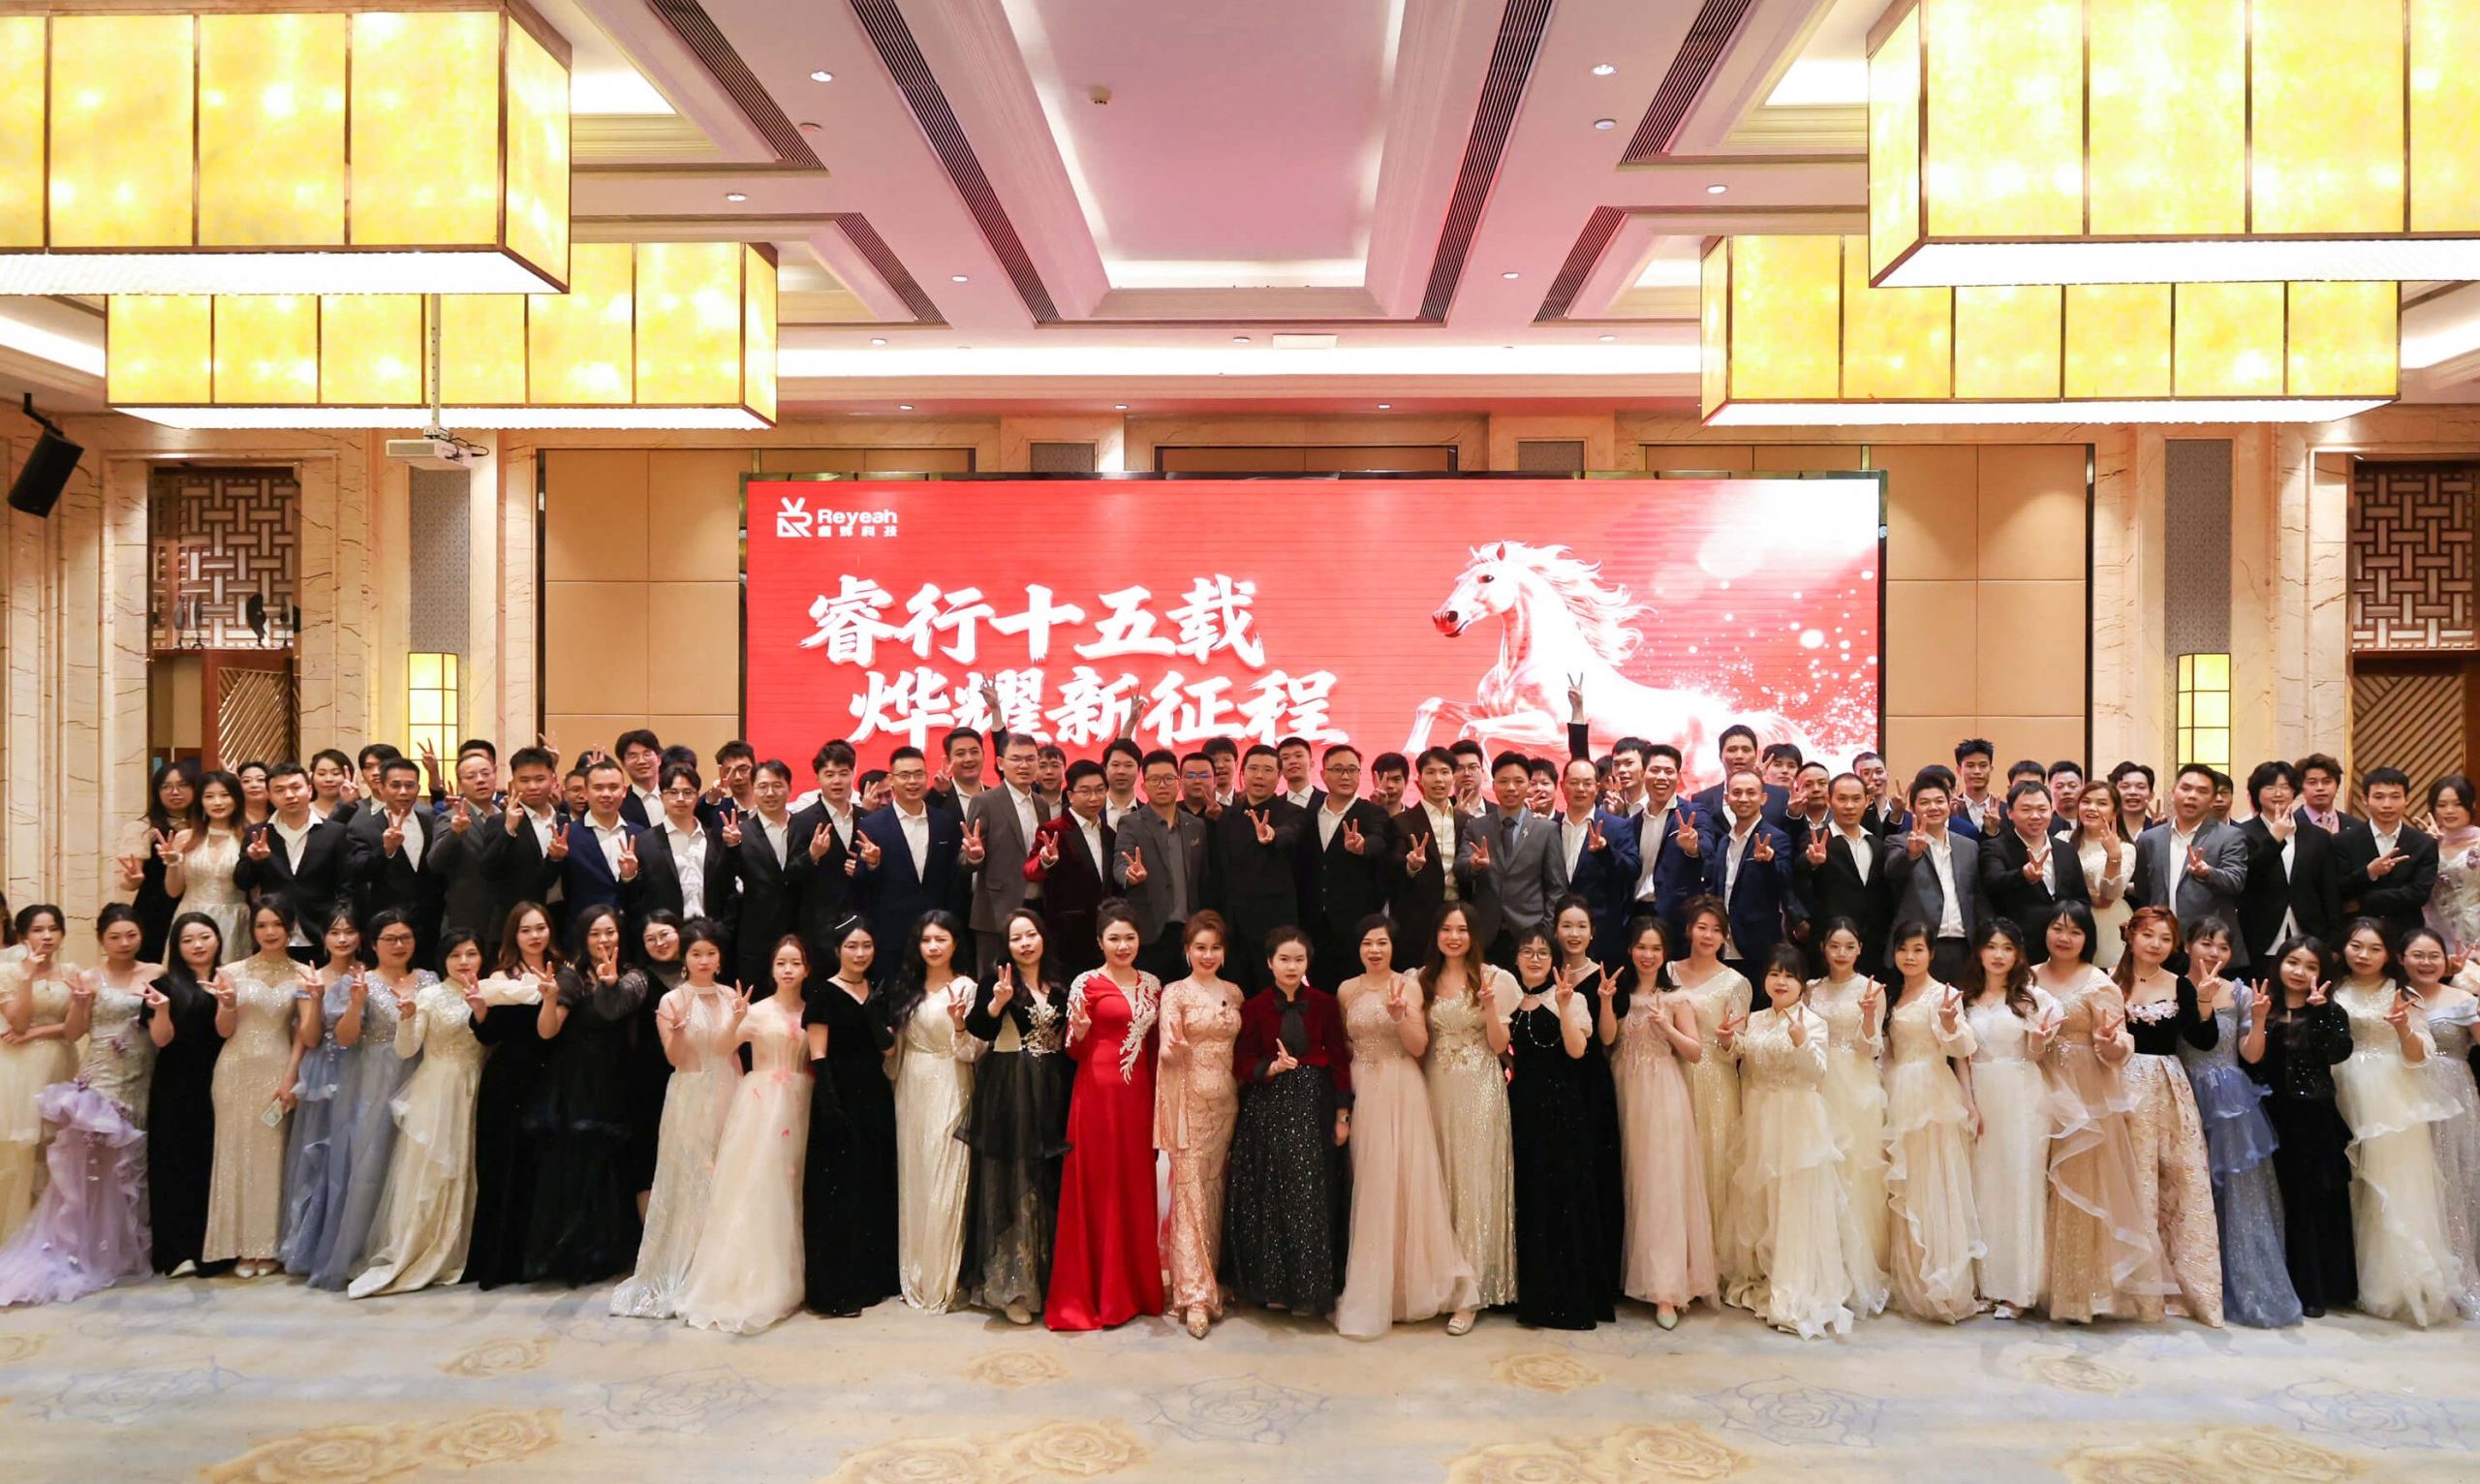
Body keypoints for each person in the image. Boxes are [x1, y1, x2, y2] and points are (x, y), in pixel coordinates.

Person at [0, 906, 169, 1306]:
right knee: (85, 1165)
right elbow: (74, 1027)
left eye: (131, 934)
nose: (124, 943)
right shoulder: (85, 977)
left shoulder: (153, 974)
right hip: (94, 1072)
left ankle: (123, 1248)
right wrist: (71, 1002)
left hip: (137, 1072)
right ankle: (79, 1248)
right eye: (114, 937)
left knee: (133, 1163)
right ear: (100, 939)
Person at [1331, 915, 1479, 1339]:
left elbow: (1418, 1046)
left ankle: (1418, 1287)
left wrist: (1399, 1016)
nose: (1374, 950)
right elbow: (1346, 1045)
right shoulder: (1347, 990)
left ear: (1393, 947)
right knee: (1372, 1184)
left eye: (1381, 942)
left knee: (1408, 1183)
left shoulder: (1409, 984)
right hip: (1364, 1088)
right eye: (1366, 943)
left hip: (1401, 1086)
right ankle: (1380, 1289)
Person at [2039, 899, 2176, 1323]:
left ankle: (2081, 1293)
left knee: (2079, 1186)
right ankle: (2032, 1286)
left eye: (2075, 931)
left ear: (2087, 938)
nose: (2065, 938)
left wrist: (2108, 1042)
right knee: (2037, 1185)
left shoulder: (2099, 983)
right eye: (2057, 928)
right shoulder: (2028, 978)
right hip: (2038, 1086)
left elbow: (2122, 1048)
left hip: (2085, 1091)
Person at [2328, 918, 2465, 1324]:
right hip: (2337, 1087)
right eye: (2357, 946)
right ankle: (2344, 1279)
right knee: (2346, 1185)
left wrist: (2405, 1029)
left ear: (2389, 954)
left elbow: (2419, 1056)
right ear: (2344, 948)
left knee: (2390, 1186)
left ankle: (2389, 1285)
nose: (2364, 955)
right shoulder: (2332, 989)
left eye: (2374, 948)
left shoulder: (2402, 994)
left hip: (2389, 1096)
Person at [1720, 944, 1860, 1337]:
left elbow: (1817, 1073)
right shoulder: (1759, 1018)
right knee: (1760, 1197)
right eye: (1775, 974)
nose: (1780, 982)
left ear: (1802, 984)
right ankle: (1762, 1273)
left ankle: (1792, 1281)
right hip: (1761, 1116)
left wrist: (1800, 1040)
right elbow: (1745, 1056)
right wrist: (1730, 1042)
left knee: (1794, 1200)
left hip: (1798, 1119)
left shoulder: (1813, 1022)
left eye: (1789, 976)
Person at [610, 919, 744, 1319]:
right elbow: (675, 1058)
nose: (704, 960)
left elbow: (728, 1052)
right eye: (696, 954)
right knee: (691, 1178)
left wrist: (737, 1021)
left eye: (710, 953)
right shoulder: (671, 1001)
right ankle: (684, 1270)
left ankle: (721, 1270)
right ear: (685, 959)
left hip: (727, 1088)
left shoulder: (730, 996)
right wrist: (682, 1031)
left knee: (726, 1177)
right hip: (688, 1092)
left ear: (720, 958)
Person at [348, 930, 490, 1298]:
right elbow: (407, 1048)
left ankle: (461, 1249)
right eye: (455, 955)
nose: (463, 962)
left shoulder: (490, 991)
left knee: (467, 1168)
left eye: (471, 954)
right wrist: (407, 1017)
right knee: (432, 1171)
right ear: (443, 960)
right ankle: (423, 1248)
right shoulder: (429, 995)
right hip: (438, 1088)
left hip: (477, 1085)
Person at [678, 939, 808, 1335]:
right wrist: (735, 1020)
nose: (788, 970)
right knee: (760, 1188)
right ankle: (756, 1281)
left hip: (803, 1100)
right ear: (771, 969)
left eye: (795, 963)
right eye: (781, 963)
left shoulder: (811, 1011)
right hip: (762, 1103)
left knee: (795, 1187)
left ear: (806, 969)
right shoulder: (756, 1010)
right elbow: (719, 1049)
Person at [2178, 919, 2302, 1328]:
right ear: (2188, 944)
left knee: (2237, 1195)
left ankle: (2245, 1288)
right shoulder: (2173, 985)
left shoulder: (2242, 992)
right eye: (2206, 943)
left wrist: (2261, 1018)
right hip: (2181, 1092)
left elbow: (2249, 1055)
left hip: (2228, 1098)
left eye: (2223, 947)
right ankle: (2191, 1286)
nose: (2214, 953)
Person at [1047, 902, 1164, 1331]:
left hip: (1138, 1099)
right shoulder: (1086, 983)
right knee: (1097, 1188)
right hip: (1095, 1097)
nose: (1122, 945)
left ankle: (1134, 1292)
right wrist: (1076, 1032)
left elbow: (1152, 1050)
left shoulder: (1152, 984)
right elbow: (1073, 1050)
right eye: (1113, 938)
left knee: (1133, 1188)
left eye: (1129, 937)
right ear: (1099, 942)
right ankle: (1096, 1295)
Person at [1226, 924, 1350, 1321]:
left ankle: (1308, 1290)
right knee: (1271, 1196)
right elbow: (1240, 1063)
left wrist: (1342, 1113)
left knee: (1309, 1197)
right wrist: (1270, 1067)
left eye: (1299, 959)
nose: (1292, 966)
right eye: (1284, 959)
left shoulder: (1326, 1004)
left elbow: (1341, 1061)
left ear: (1307, 962)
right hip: (1267, 1107)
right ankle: (1273, 1287)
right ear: (1270, 963)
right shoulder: (1256, 1006)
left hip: (1313, 1103)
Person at [2113, 907, 2226, 1325]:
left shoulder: (2180, 984)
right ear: (2131, 936)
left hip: (2165, 1084)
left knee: (2175, 1181)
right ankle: (2122, 1289)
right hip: (2117, 1084)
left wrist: (2207, 1001)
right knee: (2124, 1178)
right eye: (2148, 935)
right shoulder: (2108, 979)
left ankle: (2178, 1287)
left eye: (2165, 938)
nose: (2156, 944)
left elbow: (2204, 1040)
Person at [298, 909, 423, 1289]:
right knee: (369, 1164)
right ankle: (359, 1251)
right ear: (373, 944)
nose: (398, 945)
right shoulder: (359, 982)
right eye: (389, 939)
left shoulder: (429, 979)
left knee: (410, 1165)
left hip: (419, 1076)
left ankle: (404, 1248)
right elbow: (346, 1038)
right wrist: (356, 1003)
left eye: (405, 938)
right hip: (372, 1081)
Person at [960, 910, 1072, 1324]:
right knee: (1012, 1180)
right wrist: (996, 1004)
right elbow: (980, 1031)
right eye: (1015, 938)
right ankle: (1011, 1287)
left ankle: (1045, 1280)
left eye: (1031, 935)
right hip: (1011, 1085)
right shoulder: (997, 982)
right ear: (1006, 946)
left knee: (1046, 1181)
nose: (1024, 943)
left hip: (1051, 1087)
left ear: (1043, 938)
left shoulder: (1059, 984)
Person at [1605, 916, 1717, 1326]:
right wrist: (1604, 1003)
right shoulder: (1619, 994)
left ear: (1665, 953)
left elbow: (1695, 1052)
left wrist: (1666, 1026)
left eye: (1655, 948)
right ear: (1630, 950)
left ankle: (1667, 1290)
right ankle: (1629, 1276)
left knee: (1661, 1187)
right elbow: (1606, 1040)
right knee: (1629, 1182)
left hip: (1663, 1094)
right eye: (1641, 947)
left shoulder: (1677, 999)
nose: (1648, 955)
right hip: (1623, 1090)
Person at [202, 899, 320, 1278]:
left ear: (290, 928)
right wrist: (227, 1005)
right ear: (252, 931)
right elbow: (222, 1030)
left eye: (276, 925)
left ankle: (267, 1246)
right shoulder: (230, 971)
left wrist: (290, 1077)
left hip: (277, 1065)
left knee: (272, 1156)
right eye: (261, 926)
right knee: (234, 1154)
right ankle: (237, 1247)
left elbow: (305, 1035)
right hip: (234, 1067)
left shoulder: (304, 974)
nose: (269, 932)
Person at [2240, 937, 2357, 1316]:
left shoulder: (2330, 1010)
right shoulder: (2262, 1004)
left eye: (2310, 966)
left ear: (2321, 975)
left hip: (2313, 1118)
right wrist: (2258, 1020)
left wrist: (2321, 1014)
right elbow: (2251, 1060)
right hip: (2268, 1112)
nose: (2300, 972)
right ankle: (2275, 1282)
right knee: (2272, 1200)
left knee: (2310, 1202)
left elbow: (2337, 1053)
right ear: (2280, 964)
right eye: (2293, 962)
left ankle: (2314, 1290)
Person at [1505, 926, 1607, 1330]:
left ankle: (1564, 1300)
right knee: (1529, 1198)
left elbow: (1577, 1050)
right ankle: (1531, 1295)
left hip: (1561, 1108)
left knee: (1560, 1197)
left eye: (1542, 953)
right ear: (1515, 959)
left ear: (1553, 962)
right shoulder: (1509, 1001)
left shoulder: (1571, 997)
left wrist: (1564, 1006)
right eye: (1527, 952)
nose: (1533, 959)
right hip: (1520, 1108)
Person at [1958, 916, 2061, 1318]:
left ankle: (2019, 1289)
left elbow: (2037, 1055)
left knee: (2021, 1186)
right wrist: (1968, 1102)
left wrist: (2038, 1038)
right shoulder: (1964, 998)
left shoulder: (2035, 999)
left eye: (2007, 948)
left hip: (2022, 1092)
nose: (1999, 956)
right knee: (1983, 1185)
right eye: (1991, 947)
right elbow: (1961, 1056)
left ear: (2018, 954)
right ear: (1979, 952)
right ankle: (1986, 1283)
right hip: (1980, 1092)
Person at [1419, 901, 1518, 1310]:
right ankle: (1439, 1282)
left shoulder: (1495, 978)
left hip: (1481, 1085)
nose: (1454, 937)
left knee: (1475, 1182)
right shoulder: (1421, 979)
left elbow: (1499, 1047)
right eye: (1446, 929)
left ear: (1474, 935)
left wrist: (1491, 1005)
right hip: (1435, 1085)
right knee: (1439, 1180)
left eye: (1461, 930)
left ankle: (1471, 1293)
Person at [1880, 922, 1981, 1323]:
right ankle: (1910, 1277)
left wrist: (1952, 1024)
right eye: (1903, 949)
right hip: (1897, 1088)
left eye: (1918, 949)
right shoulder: (1894, 995)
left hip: (1932, 1091)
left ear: (1931, 954)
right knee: (1905, 1183)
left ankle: (1942, 1284)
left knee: (1934, 1182)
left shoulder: (1944, 995)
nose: (1909, 956)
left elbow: (1961, 1050)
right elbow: (1887, 1052)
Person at [1156, 912, 1246, 1339]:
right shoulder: (1174, 993)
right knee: (1190, 1193)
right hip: (1190, 1102)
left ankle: (1213, 1279)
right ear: (1186, 951)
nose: (1207, 955)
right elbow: (1168, 1050)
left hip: (1226, 1102)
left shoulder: (1235, 993)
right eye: (1199, 948)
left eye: (1214, 947)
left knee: (1215, 1191)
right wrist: (1171, 1051)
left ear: (1224, 952)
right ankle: (1192, 1294)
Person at [804, 919, 900, 1316]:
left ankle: (873, 1279)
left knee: (872, 1183)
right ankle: (837, 1290)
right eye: (852, 946)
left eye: (866, 945)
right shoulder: (823, 993)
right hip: (837, 1095)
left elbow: (890, 1050)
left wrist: (878, 1018)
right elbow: (818, 1053)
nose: (860, 953)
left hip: (875, 1095)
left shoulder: (877, 989)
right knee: (839, 1192)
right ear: (838, 949)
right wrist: (829, 1104)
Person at [889, 911, 980, 1314]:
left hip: (952, 1080)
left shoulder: (966, 988)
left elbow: (975, 1051)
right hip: (911, 1084)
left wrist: (960, 1027)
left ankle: (943, 1277)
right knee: (916, 1174)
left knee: (948, 1174)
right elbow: (895, 1052)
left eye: (941, 939)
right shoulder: (906, 988)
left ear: (955, 944)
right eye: (926, 940)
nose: (933, 947)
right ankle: (916, 1272)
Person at [467, 901, 560, 1289]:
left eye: (540, 927)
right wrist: (480, 1012)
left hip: (551, 1078)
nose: (534, 935)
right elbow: (489, 1037)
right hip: (506, 1080)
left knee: (541, 1170)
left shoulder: (563, 970)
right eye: (525, 930)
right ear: (513, 935)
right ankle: (498, 1262)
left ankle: (538, 1261)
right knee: (500, 1169)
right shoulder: (498, 977)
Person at [2396, 927, 2480, 1315]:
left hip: (2455, 1092)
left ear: (2446, 960)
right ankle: (2423, 1275)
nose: (2426, 962)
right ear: (2402, 960)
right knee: (2418, 1181)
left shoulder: (2464, 998)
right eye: (2417, 955)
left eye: (2433, 955)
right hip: (2408, 1092)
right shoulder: (2396, 997)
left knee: (2458, 1178)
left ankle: (2462, 1276)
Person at [275, 909, 361, 1277]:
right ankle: (310, 1248)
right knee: (317, 1159)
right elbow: (307, 1038)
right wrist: (314, 998)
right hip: (321, 1071)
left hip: (360, 1070)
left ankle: (347, 1246)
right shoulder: (311, 977)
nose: (342, 939)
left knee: (352, 1160)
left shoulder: (369, 974)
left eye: (349, 931)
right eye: (334, 932)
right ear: (323, 938)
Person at [1805, 919, 1890, 1283]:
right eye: (1835, 946)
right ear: (1824, 948)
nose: (1842, 953)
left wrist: (1869, 1015)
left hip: (1856, 1082)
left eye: (1850, 946)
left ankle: (1857, 1266)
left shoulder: (1871, 988)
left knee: (1856, 1169)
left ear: (1860, 950)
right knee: (1821, 1167)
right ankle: (1823, 1264)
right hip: (1817, 1081)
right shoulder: (1810, 989)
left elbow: (1871, 1048)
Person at [1671, 897, 1752, 1281]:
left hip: (1716, 1080)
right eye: (1702, 927)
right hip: (1671, 1076)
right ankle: (1678, 1258)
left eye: (1716, 930)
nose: (1708, 935)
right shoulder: (1668, 971)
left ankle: (1713, 1264)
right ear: (1689, 929)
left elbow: (1739, 1047)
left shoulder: (1736, 983)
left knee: (1712, 1163)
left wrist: (1723, 1041)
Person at [147, 913, 227, 1277]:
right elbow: (160, 1040)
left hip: (222, 1079)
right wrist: (162, 1010)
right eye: (187, 940)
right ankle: (176, 1251)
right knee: (175, 1162)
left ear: (218, 939)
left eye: (205, 936)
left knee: (213, 1162)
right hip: (176, 1082)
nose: (198, 945)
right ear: (176, 947)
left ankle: (213, 1248)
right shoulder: (163, 983)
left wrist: (228, 1002)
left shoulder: (230, 978)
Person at [0, 905, 79, 1243]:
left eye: (53, 929)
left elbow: (76, 1029)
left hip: (61, 1060)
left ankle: (51, 1236)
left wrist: (36, 1033)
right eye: (37, 930)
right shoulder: (7, 971)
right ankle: (15, 1235)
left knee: (56, 1150)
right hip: (20, 1068)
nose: (46, 936)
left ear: (62, 933)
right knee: (21, 1151)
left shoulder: (73, 971)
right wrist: (28, 977)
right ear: (22, 935)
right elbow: (16, 1022)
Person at [853, 747, 976, 957]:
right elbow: (861, 885)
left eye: (918, 774)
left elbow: (956, 879)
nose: (912, 781)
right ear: (891, 780)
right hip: (893, 934)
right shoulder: (872, 826)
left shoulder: (945, 822)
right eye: (904, 775)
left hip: (940, 933)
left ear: (927, 776)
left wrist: (973, 859)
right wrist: (872, 864)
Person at [2131, 765, 2251, 972]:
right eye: (2186, 788)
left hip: (2208, 947)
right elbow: (2144, 889)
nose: (2192, 796)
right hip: (2162, 947)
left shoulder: (2230, 836)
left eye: (2202, 791)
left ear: (2213, 799)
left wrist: (2208, 873)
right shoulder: (2149, 838)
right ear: (2173, 792)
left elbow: (2236, 882)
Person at [1208, 746, 1306, 994]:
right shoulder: (1227, 817)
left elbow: (1290, 835)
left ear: (1279, 776)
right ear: (1242, 773)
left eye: (1267, 770)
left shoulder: (1293, 813)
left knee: (1273, 997)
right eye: (1253, 769)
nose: (1259, 776)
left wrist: (1272, 835)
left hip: (1273, 928)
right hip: (1232, 928)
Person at [1299, 745, 1397, 989]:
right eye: (1338, 770)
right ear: (1323, 775)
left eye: (1352, 770)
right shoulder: (1309, 814)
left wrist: (1363, 846)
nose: (1345, 776)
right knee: (1321, 994)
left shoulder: (1372, 812)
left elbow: (1379, 840)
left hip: (1356, 926)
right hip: (1314, 926)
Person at [1114, 749, 1214, 983]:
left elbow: (1203, 876)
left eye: (1169, 778)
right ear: (1143, 785)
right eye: (1154, 780)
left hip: (1189, 931)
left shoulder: (1195, 825)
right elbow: (1120, 862)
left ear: (1178, 782)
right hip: (1150, 930)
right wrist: (1130, 874)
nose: (1162, 785)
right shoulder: (1131, 823)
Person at [235, 763, 351, 964]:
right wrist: (254, 860)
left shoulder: (335, 832)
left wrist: (341, 926)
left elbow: (347, 886)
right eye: (279, 790)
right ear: (270, 796)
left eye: (296, 787)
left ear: (310, 790)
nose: (289, 795)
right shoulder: (257, 833)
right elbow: (242, 882)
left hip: (320, 934)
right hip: (275, 934)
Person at [2234, 761, 2340, 969]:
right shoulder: (2240, 834)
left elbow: (2329, 891)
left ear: (2294, 791)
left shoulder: (2317, 836)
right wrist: (2274, 840)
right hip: (2259, 936)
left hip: (2310, 934)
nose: (2278, 793)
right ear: (2256, 793)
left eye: (2285, 787)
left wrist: (2334, 941)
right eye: (2269, 787)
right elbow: (2246, 879)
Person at [965, 733, 1051, 977]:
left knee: (1031, 978)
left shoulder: (1042, 804)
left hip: (1035, 906)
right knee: (993, 982)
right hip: (995, 909)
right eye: (1016, 759)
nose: (1024, 766)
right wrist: (973, 856)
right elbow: (965, 860)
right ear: (1001, 763)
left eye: (1030, 759)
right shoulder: (985, 801)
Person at [1701, 769, 1796, 983]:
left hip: (1757, 945)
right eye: (1737, 793)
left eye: (1751, 793)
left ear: (1763, 798)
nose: (1743, 798)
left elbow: (1785, 885)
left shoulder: (1776, 838)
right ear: (1727, 798)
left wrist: (1768, 863)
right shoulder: (1724, 841)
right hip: (1720, 944)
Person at [1024, 760, 1116, 975]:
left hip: (1104, 934)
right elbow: (1030, 869)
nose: (1094, 798)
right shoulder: (1053, 830)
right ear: (1071, 795)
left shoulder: (1110, 834)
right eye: (1085, 791)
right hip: (1066, 937)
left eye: (1100, 790)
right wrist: (1045, 860)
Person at [345, 757, 443, 957]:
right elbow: (357, 871)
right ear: (381, 788)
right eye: (396, 785)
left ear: (418, 787)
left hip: (431, 925)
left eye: (410, 785)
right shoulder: (362, 824)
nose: (403, 792)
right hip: (385, 927)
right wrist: (386, 849)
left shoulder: (431, 819)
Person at [1472, 751, 1564, 965]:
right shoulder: (1476, 826)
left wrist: (1545, 930)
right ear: (1493, 785)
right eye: (1503, 781)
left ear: (1528, 785)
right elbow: (1461, 868)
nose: (1511, 788)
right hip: (1487, 934)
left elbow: (1556, 887)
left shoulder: (1546, 829)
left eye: (1518, 781)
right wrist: (1474, 866)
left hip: (1531, 933)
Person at [2332, 767, 2437, 946]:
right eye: (2379, 797)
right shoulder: (2343, 841)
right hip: (2356, 936)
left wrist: (2364, 902)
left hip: (2406, 936)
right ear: (2365, 799)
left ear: (2407, 800)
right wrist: (2369, 873)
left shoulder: (2423, 843)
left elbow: (2419, 894)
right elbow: (2337, 889)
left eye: (2395, 797)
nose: (2387, 804)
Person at [1547, 757, 1638, 966]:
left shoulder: (1617, 827)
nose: (1580, 788)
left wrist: (1606, 852)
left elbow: (1632, 870)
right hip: (1555, 936)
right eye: (1574, 782)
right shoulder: (1549, 828)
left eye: (1587, 783)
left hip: (1601, 936)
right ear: (1562, 786)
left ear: (1597, 787)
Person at [1889, 773, 1979, 982]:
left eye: (1939, 801)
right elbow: (1892, 871)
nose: (1933, 807)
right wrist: (1912, 853)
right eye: (1925, 802)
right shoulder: (1899, 842)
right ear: (1913, 808)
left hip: (1963, 947)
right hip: (1917, 948)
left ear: (1950, 805)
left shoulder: (1969, 846)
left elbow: (1976, 896)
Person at [1794, 774, 1890, 973]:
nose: (1849, 806)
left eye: (1856, 799)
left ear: (1867, 801)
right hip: (1829, 946)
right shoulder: (1815, 839)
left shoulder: (1878, 845)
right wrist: (1812, 862)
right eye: (1842, 798)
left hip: (1872, 948)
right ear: (1829, 801)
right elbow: (1799, 873)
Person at [1980, 781, 2087, 950]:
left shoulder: (2065, 849)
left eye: (2042, 809)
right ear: (2009, 812)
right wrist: (2023, 875)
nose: (2036, 816)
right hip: (2018, 944)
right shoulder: (1995, 847)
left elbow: (2081, 898)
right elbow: (1992, 881)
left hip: (2063, 944)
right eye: (2026, 810)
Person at [116, 760, 202, 962]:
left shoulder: (207, 827)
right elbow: (128, 882)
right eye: (166, 786)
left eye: (183, 785)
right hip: (155, 912)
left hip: (198, 907)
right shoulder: (143, 828)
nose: (174, 792)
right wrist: (133, 878)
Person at [166, 769, 251, 963]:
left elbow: (255, 889)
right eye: (209, 796)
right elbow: (173, 891)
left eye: (225, 795)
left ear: (236, 799)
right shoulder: (185, 838)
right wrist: (172, 863)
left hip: (233, 919)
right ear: (201, 802)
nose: (217, 802)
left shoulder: (247, 838)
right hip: (190, 916)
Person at [2064, 789, 2134, 973]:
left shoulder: (2125, 848)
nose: (2092, 808)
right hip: (2067, 921)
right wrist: (2088, 893)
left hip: (2108, 923)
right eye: (2086, 801)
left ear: (2115, 811)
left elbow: (2108, 897)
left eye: (2102, 803)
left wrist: (2113, 856)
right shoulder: (2062, 839)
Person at [2424, 776, 2480, 954]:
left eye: (2457, 804)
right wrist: (2426, 847)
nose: (2449, 811)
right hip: (2436, 932)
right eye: (2441, 805)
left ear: (2471, 805)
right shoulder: (2426, 843)